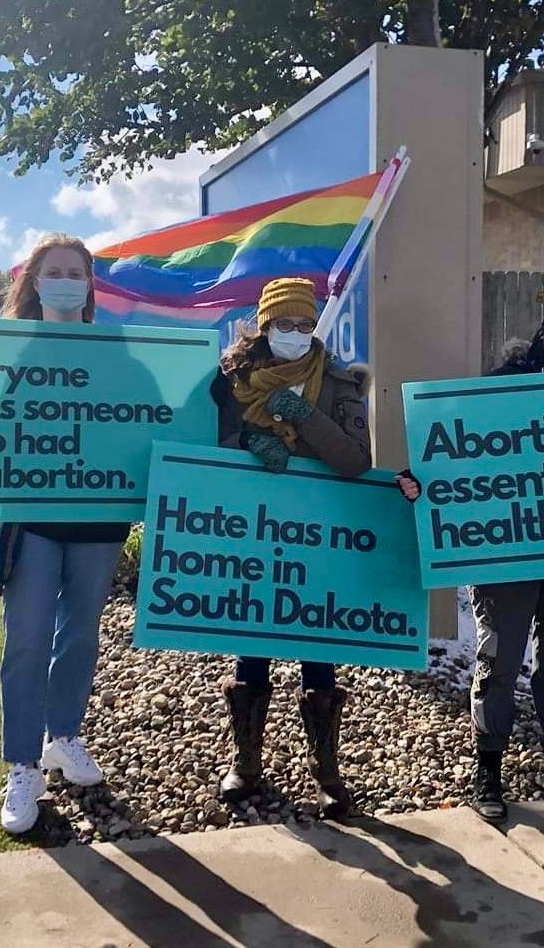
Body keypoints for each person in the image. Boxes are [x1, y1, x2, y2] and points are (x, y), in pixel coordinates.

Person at [397, 302, 544, 824]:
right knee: (500, 657)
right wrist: (420, 477)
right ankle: (488, 767)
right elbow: (451, 448)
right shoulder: (498, 388)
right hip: (506, 552)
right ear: (543, 336)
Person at [211, 277, 372, 820]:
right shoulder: (232, 380)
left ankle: (327, 772)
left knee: (315, 649)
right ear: (265, 326)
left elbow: (355, 460)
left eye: (305, 324)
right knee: (253, 639)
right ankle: (245, 761)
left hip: (316, 536)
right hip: (251, 533)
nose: (297, 334)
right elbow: (208, 444)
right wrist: (248, 444)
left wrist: (306, 416)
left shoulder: (339, 381)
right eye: (285, 324)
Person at [0, 234, 132, 836]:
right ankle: (22, 763)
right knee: (26, 639)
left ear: (90, 283)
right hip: (32, 519)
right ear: (33, 282)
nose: (66, 279)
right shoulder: (6, 352)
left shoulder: (118, 353)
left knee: (79, 637)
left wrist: (198, 404)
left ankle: (64, 736)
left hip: (99, 520)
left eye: (76, 271)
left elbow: (148, 412)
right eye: (54, 271)